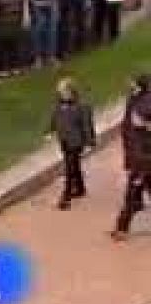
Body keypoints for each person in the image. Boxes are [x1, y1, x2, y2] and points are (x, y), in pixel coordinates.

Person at [47, 77, 96, 210]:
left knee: (69, 168)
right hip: (64, 141)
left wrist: (90, 143)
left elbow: (87, 126)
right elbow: (54, 119)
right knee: (74, 165)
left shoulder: (82, 106)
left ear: (71, 91)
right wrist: (50, 131)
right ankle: (80, 188)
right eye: (60, 91)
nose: (62, 93)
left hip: (76, 142)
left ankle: (66, 196)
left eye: (64, 90)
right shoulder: (58, 106)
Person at [111, 76, 150, 241]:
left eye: (132, 83)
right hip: (138, 157)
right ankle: (122, 227)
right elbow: (128, 130)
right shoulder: (133, 100)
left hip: (145, 159)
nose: (129, 85)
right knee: (133, 194)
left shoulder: (147, 102)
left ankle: (122, 228)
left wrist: (145, 125)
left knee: (132, 193)